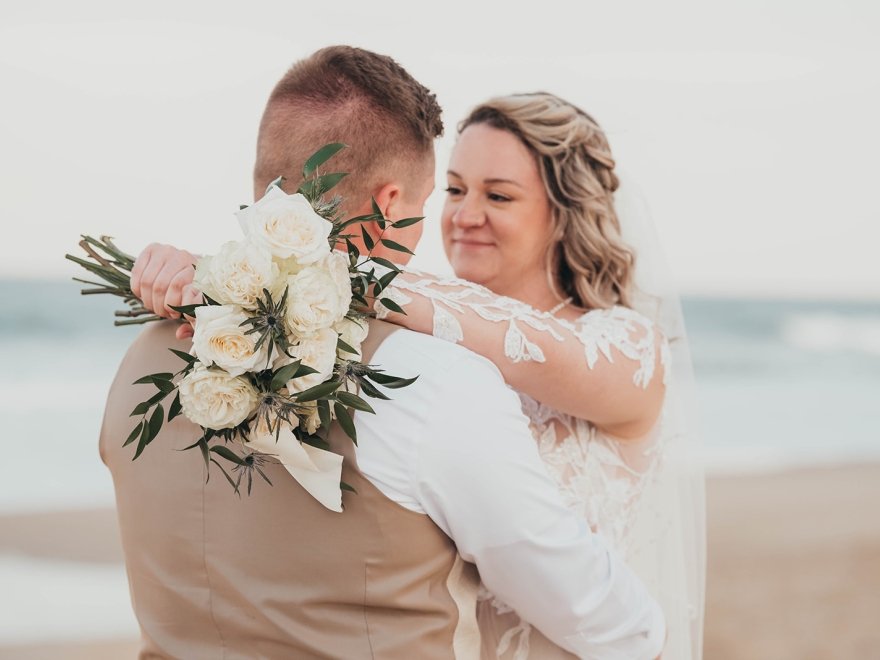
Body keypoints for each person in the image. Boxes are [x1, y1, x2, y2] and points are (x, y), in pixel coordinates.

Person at [104, 46, 666, 659]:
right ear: (393, 203)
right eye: (449, 191)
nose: (464, 215)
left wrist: (244, 274)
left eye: (500, 196)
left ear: (565, 213)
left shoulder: (144, 355)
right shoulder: (427, 373)